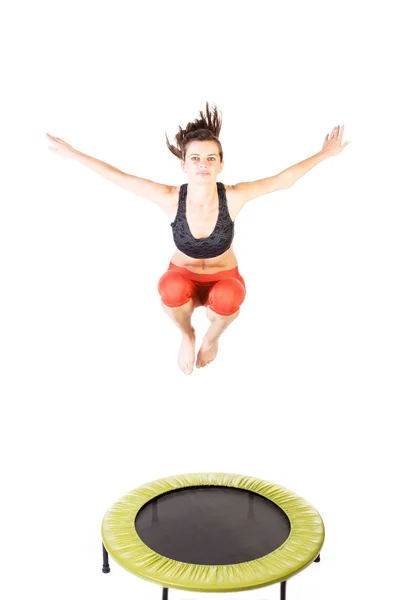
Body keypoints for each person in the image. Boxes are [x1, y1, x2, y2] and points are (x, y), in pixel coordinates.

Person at [47, 103, 350, 375]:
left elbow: (283, 181)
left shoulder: (233, 197)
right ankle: (187, 334)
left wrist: (325, 153)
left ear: (220, 163)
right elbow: (120, 177)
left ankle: (211, 338)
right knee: (170, 287)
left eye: (210, 158)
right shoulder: (169, 198)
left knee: (230, 296)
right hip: (183, 276)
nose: (203, 164)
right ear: (184, 165)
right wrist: (73, 154)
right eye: (195, 158)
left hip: (224, 279)